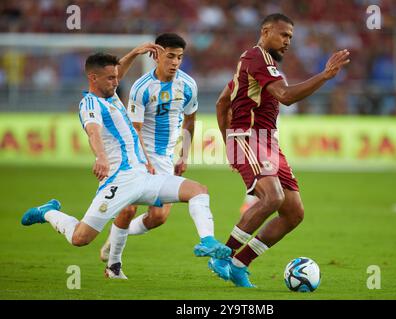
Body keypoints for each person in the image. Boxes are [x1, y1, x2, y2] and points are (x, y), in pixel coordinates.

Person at [21, 47, 231, 279]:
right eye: (111, 78)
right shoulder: (90, 104)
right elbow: (94, 132)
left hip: (143, 176)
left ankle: (207, 241)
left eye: (116, 76)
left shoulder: (112, 97)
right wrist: (101, 156)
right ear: (93, 78)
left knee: (198, 190)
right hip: (118, 182)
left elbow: (117, 71)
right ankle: (49, 212)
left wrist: (135, 52)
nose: (116, 81)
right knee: (80, 238)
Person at [212, 13, 350, 287]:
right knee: (273, 198)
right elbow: (286, 97)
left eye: (290, 37)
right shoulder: (257, 57)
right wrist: (325, 75)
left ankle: (241, 264)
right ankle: (223, 255)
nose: (288, 41)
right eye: (283, 35)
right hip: (248, 137)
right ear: (265, 31)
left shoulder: (262, 67)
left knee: (294, 213)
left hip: (269, 144)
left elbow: (222, 101)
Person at [99, 33, 200, 261]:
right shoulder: (141, 88)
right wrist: (144, 161)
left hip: (165, 157)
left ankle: (115, 237)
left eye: (179, 57)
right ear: (157, 56)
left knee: (159, 217)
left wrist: (184, 155)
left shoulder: (188, 85)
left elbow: (190, 121)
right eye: (170, 56)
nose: (175, 62)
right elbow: (135, 130)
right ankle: (114, 263)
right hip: (138, 152)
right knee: (128, 208)